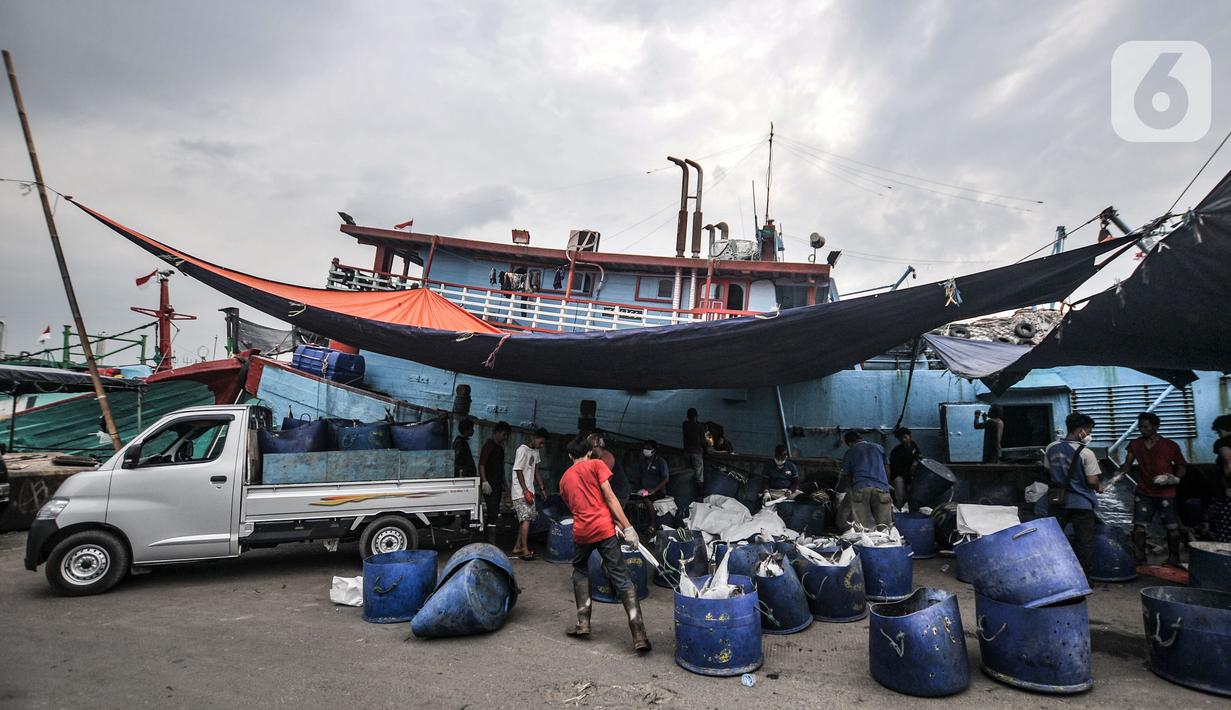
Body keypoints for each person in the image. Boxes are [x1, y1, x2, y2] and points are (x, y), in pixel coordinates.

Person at [559, 435, 650, 653]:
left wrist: (615, 520)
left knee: (580, 570)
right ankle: (639, 635)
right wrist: (627, 526)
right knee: (621, 577)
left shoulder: (564, 479)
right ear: (589, 452)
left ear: (570, 455)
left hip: (582, 532)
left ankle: (583, 623)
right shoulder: (597, 465)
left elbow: (576, 507)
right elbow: (609, 497)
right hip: (604, 529)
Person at [1119, 412, 1187, 566]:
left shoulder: (1170, 445)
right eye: (1140, 427)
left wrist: (1175, 478)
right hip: (1144, 492)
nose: (1142, 430)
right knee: (1139, 527)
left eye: (1146, 427)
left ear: (1155, 427)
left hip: (1166, 492)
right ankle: (1140, 557)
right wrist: (1121, 471)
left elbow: (1182, 466)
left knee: (1172, 526)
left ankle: (1174, 558)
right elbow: (1128, 463)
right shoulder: (1135, 444)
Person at [1046, 413, 1103, 576]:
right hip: (1081, 504)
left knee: (1053, 539)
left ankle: (1053, 574)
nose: (1089, 434)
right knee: (1084, 543)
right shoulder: (1086, 453)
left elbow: (1047, 472)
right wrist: (1099, 487)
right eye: (1089, 430)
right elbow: (1092, 481)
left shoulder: (1051, 448)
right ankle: (1084, 578)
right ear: (1081, 431)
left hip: (1057, 501)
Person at [841, 431, 892, 530]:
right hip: (881, 487)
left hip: (860, 487)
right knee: (884, 526)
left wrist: (852, 488)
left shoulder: (850, 452)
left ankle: (865, 544)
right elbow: (887, 468)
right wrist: (886, 484)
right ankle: (886, 543)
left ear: (849, 443)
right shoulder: (879, 448)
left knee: (862, 528)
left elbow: (847, 475)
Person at [510, 427, 548, 560]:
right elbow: (518, 470)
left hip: (529, 490)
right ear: (534, 437)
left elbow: (537, 471)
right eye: (541, 442)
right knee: (525, 519)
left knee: (525, 520)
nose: (542, 445)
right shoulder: (522, 450)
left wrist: (542, 488)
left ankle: (518, 546)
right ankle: (525, 550)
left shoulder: (535, 451)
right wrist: (525, 490)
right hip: (520, 491)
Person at [478, 421, 511, 542]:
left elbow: (501, 469)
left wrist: (505, 486)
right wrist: (484, 481)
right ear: (497, 433)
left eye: (506, 435)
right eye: (504, 434)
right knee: (492, 511)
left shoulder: (500, 449)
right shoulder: (488, 446)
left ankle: (489, 538)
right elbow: (481, 464)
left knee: (495, 511)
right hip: (489, 484)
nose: (505, 438)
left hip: (497, 485)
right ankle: (489, 540)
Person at [1209, 414, 1231, 542]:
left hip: (1227, 493)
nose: (1218, 435)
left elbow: (1229, 465)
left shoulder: (1223, 443)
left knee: (1226, 530)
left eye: (1218, 432)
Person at [889, 427, 922, 509]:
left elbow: (918, 456)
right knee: (900, 497)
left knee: (912, 497)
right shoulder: (896, 451)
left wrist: (916, 461)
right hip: (898, 475)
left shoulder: (913, 445)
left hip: (910, 475)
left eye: (905, 437)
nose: (903, 440)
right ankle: (899, 513)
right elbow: (894, 467)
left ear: (910, 436)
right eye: (900, 438)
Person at [682, 408, 705, 485]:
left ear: (687, 416)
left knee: (687, 473)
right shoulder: (700, 427)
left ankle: (688, 491)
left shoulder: (685, 424)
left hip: (687, 452)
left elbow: (691, 424)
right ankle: (700, 495)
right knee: (699, 476)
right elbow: (702, 441)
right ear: (696, 416)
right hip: (696, 453)